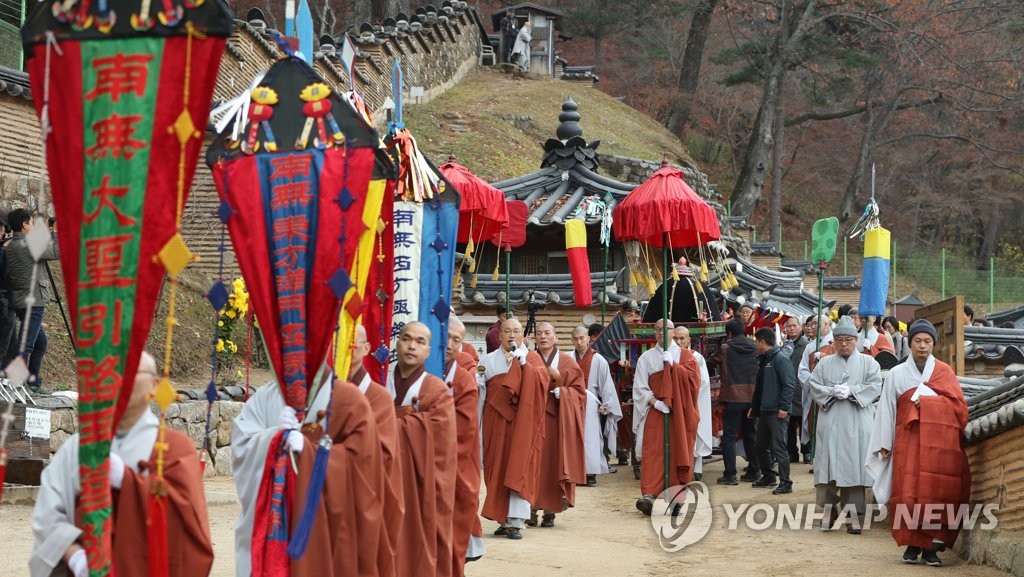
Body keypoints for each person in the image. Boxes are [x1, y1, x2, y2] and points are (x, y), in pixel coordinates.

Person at [30, 351, 213, 577]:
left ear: (154, 385)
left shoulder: (175, 447)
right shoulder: (78, 447)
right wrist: (75, 556)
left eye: (131, 372)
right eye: (113, 373)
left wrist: (127, 481)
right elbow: (48, 514)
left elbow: (188, 520)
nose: (120, 379)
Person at [232, 366, 386, 576]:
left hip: (325, 528)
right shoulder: (266, 396)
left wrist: (310, 453)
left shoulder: (348, 399)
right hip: (274, 520)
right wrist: (275, 437)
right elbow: (243, 444)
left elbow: (363, 465)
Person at [866, 319, 971, 567]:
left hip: (939, 445)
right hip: (908, 441)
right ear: (910, 343)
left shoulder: (944, 372)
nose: (922, 346)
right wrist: (884, 443)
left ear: (934, 344)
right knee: (908, 493)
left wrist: (930, 403)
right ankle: (912, 544)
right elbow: (887, 410)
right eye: (917, 341)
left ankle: (932, 548)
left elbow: (959, 408)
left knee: (935, 493)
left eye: (927, 341)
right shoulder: (897, 373)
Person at [385, 322, 457, 577]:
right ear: (397, 343)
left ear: (428, 351)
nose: (412, 346)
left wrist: (388, 423)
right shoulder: (380, 384)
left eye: (420, 341)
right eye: (406, 339)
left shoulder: (436, 390)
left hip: (418, 484)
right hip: (383, 480)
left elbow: (442, 443)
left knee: (417, 547)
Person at [806, 316, 882, 534]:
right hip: (830, 421)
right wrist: (831, 392)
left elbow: (876, 385)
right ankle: (829, 510)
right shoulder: (824, 363)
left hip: (857, 422)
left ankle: (853, 514)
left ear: (856, 340)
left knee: (853, 468)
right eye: (839, 340)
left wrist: (853, 391)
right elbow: (814, 385)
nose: (844, 344)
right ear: (834, 341)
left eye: (848, 340)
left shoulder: (869, 363)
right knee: (826, 467)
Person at [478, 317, 549, 540]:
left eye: (516, 331)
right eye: (507, 331)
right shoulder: (488, 360)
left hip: (523, 423)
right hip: (495, 421)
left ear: (523, 336)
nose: (511, 335)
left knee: (520, 466)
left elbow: (543, 384)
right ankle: (502, 519)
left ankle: (516, 521)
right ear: (499, 335)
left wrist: (525, 367)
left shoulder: (533, 358)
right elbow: (481, 392)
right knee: (495, 466)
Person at [350, 324, 403, 577]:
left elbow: (382, 453)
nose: (348, 347)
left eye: (354, 342)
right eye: (342, 340)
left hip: (366, 495)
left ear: (367, 348)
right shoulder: (324, 392)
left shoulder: (379, 398)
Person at [632, 319, 700, 515]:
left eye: (665, 329)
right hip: (656, 411)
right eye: (657, 329)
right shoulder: (646, 357)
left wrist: (675, 366)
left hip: (679, 412)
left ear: (673, 331)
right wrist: (656, 402)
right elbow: (640, 387)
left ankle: (676, 497)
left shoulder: (686, 356)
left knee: (678, 451)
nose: (661, 332)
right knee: (653, 451)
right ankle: (649, 494)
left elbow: (694, 382)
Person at [529, 322, 586, 527]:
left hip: (556, 421)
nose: (543, 337)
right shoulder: (529, 359)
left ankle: (550, 510)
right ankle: (530, 508)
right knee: (532, 465)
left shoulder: (568, 362)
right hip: (532, 421)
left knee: (553, 464)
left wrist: (564, 393)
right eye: (539, 333)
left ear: (555, 337)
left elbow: (580, 393)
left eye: (547, 333)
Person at [444, 317, 484, 570]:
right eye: (446, 336)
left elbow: (464, 428)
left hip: (453, 459)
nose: (449, 344)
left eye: (456, 340)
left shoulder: (463, 377)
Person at [5, 208, 59, 391]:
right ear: (24, 224)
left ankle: (33, 382)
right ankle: (16, 386)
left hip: (20, 301)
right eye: (31, 222)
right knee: (26, 345)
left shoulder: (11, 244)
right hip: (34, 302)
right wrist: (56, 232)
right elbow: (56, 252)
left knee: (40, 343)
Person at [571, 325, 621, 485]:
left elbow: (606, 384)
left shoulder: (598, 359)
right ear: (572, 340)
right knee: (571, 436)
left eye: (582, 338)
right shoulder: (568, 358)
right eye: (576, 339)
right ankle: (574, 472)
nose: (579, 342)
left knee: (591, 437)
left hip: (590, 402)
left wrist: (606, 404)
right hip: (570, 400)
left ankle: (590, 472)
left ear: (588, 339)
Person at [749, 328, 797, 495]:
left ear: (762, 341)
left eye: (756, 341)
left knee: (779, 447)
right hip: (765, 410)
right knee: (760, 446)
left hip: (777, 411)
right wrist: (755, 407)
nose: (755, 345)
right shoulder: (765, 359)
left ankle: (786, 482)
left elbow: (789, 384)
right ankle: (769, 476)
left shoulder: (780, 359)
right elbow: (761, 387)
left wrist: (784, 407)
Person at [715, 318, 760, 485]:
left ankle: (730, 474)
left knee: (729, 436)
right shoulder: (755, 346)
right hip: (752, 397)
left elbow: (711, 361)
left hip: (732, 397)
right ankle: (754, 470)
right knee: (750, 434)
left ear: (729, 333)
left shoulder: (725, 348)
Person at [673, 326, 712, 482]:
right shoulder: (668, 355)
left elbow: (703, 382)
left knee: (694, 432)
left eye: (682, 338)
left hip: (693, 400)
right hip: (674, 403)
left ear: (688, 339)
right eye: (675, 338)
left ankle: (697, 467)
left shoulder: (696, 357)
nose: (678, 342)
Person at [798, 314, 835, 459]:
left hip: (830, 393)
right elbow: (802, 370)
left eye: (815, 323)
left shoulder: (835, 342)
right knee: (814, 425)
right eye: (811, 324)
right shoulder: (810, 346)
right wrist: (813, 381)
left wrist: (825, 357)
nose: (812, 326)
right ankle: (816, 458)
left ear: (826, 325)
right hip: (814, 392)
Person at [783, 316, 809, 463]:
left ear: (800, 327)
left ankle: (807, 451)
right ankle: (792, 452)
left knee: (803, 421)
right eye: (789, 326)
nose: (792, 328)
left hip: (801, 388)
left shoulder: (806, 345)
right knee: (789, 424)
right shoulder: (784, 345)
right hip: (787, 389)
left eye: (794, 325)